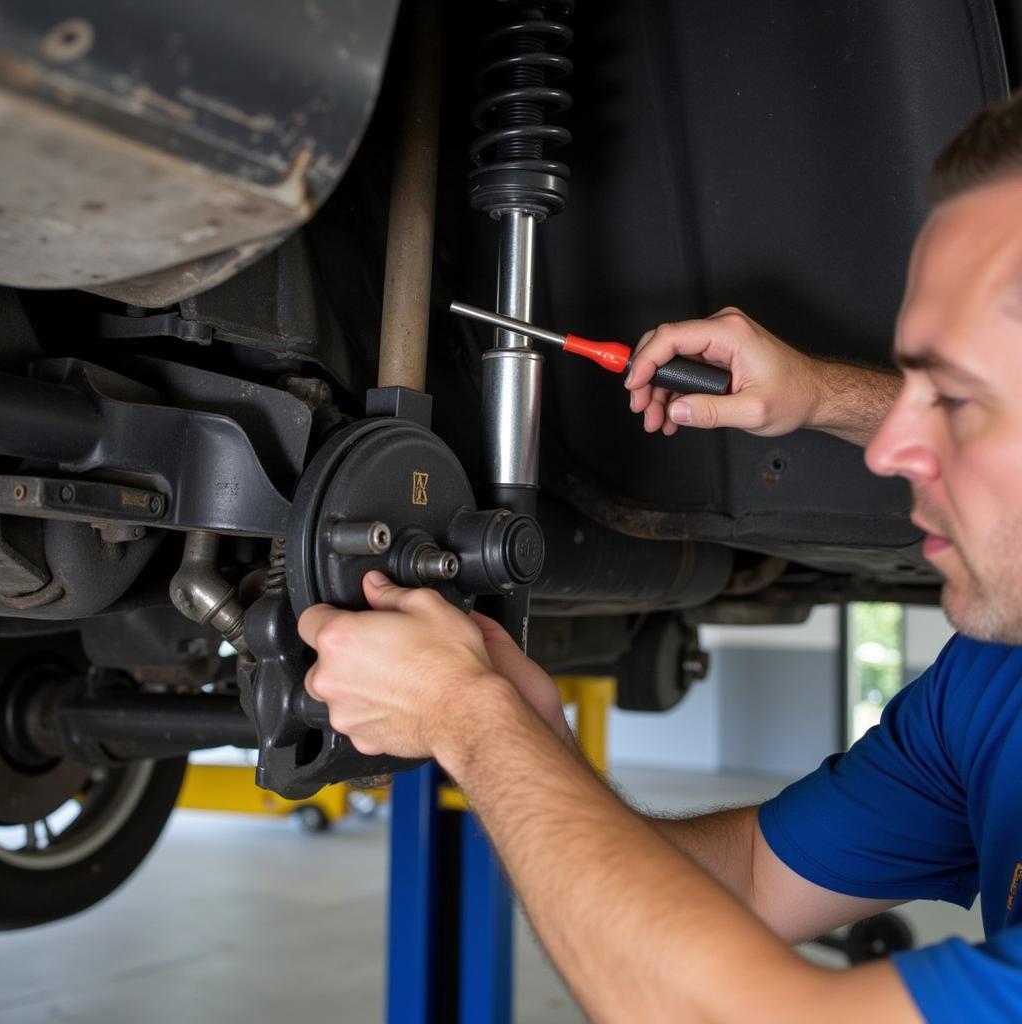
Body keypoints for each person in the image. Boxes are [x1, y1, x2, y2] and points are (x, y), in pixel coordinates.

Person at [297, 92, 1022, 1022]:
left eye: (955, 399)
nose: (886, 453)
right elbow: (754, 882)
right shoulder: (989, 687)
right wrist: (531, 744)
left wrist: (473, 723)